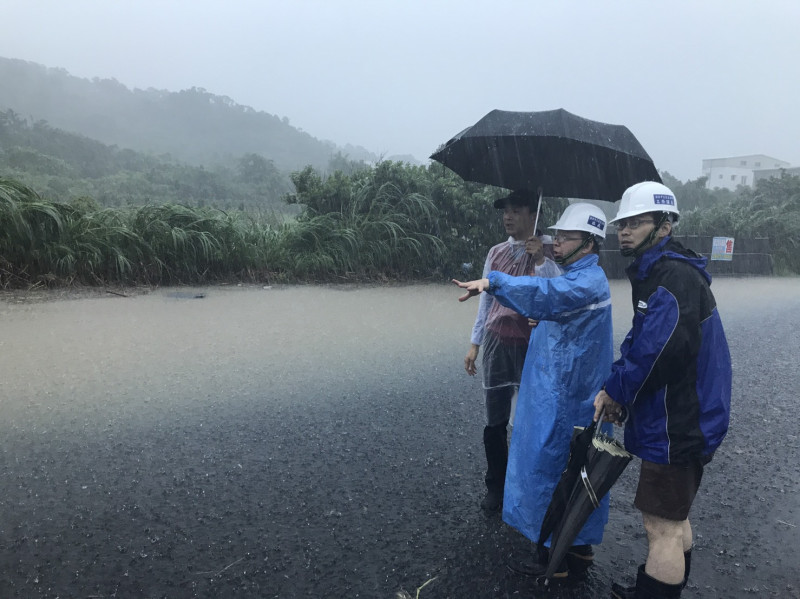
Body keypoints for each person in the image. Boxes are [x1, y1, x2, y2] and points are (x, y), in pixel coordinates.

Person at [454, 202, 614, 580]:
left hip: (563, 393)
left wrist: (495, 282)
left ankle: (551, 555)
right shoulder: (582, 276)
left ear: (588, 243)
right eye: (555, 235)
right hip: (564, 387)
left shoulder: (585, 280)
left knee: (553, 463)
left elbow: (546, 294)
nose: (556, 242)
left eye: (565, 237)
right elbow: (553, 298)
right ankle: (578, 545)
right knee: (576, 465)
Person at [593, 181, 732, 599]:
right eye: (623, 223)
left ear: (665, 226)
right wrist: (618, 385)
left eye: (637, 222)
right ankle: (657, 588)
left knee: (662, 525)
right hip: (684, 415)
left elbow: (655, 352)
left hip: (681, 420)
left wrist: (616, 391)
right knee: (674, 515)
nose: (625, 231)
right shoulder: (658, 272)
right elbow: (640, 340)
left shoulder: (673, 278)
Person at [464, 189, 561, 512]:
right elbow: (486, 300)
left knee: (532, 415)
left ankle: (528, 484)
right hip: (497, 339)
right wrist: (474, 343)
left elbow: (560, 292)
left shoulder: (551, 249)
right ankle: (496, 483)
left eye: (516, 210)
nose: (507, 216)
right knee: (495, 415)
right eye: (505, 210)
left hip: (535, 342)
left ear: (534, 215)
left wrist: (540, 259)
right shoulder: (496, 252)